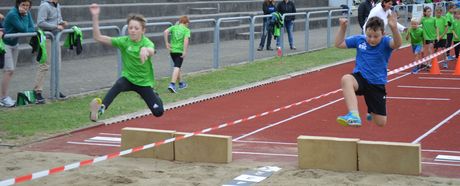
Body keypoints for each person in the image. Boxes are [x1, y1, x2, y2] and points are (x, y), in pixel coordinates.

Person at [88, 3, 164, 121]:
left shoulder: (146, 42)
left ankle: (156, 96)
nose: (133, 31)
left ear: (143, 30)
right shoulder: (124, 41)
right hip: (128, 79)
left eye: (136, 28)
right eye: (130, 28)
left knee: (158, 112)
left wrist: (145, 50)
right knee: (119, 84)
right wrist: (95, 17)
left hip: (144, 83)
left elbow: (152, 50)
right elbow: (98, 37)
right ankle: (100, 109)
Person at [334, 14, 402, 127]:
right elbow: (338, 44)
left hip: (376, 84)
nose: (372, 39)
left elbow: (397, 44)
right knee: (346, 79)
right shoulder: (360, 40)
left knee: (381, 123)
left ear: (383, 34)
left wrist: (394, 28)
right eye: (369, 36)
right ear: (365, 32)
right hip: (361, 78)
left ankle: (372, 112)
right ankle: (354, 115)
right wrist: (343, 28)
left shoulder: (386, 42)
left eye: (376, 36)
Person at [1, 0, 35, 107]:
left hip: (15, 44)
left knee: (11, 71)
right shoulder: (12, 14)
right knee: (9, 70)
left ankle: (3, 96)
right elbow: (24, 29)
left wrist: (25, 15)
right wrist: (25, 16)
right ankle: (3, 98)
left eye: (27, 5)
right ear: (18, 4)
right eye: (23, 5)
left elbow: (32, 28)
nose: (25, 7)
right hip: (5, 43)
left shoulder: (27, 13)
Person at [36, 0, 67, 104]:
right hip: (47, 38)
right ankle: (38, 92)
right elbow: (40, 22)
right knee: (44, 65)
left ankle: (56, 90)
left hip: (55, 38)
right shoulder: (45, 5)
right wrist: (56, 26)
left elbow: (58, 20)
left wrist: (62, 23)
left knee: (57, 65)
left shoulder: (57, 5)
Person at [164, 16, 191, 93]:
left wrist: (166, 43)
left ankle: (181, 83)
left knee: (177, 66)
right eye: (188, 23)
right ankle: (172, 84)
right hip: (179, 51)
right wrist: (185, 51)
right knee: (177, 67)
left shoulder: (174, 27)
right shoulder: (186, 30)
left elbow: (165, 32)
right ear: (186, 23)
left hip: (172, 51)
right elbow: (186, 40)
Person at [421, 6, 436, 70]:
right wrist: (422, 15)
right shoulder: (423, 19)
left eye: (430, 11)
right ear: (425, 12)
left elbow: (436, 27)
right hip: (424, 37)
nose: (430, 13)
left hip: (431, 37)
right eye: (428, 11)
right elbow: (417, 22)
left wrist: (437, 36)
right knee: (422, 51)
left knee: (430, 50)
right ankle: (424, 62)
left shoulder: (433, 19)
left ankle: (428, 63)